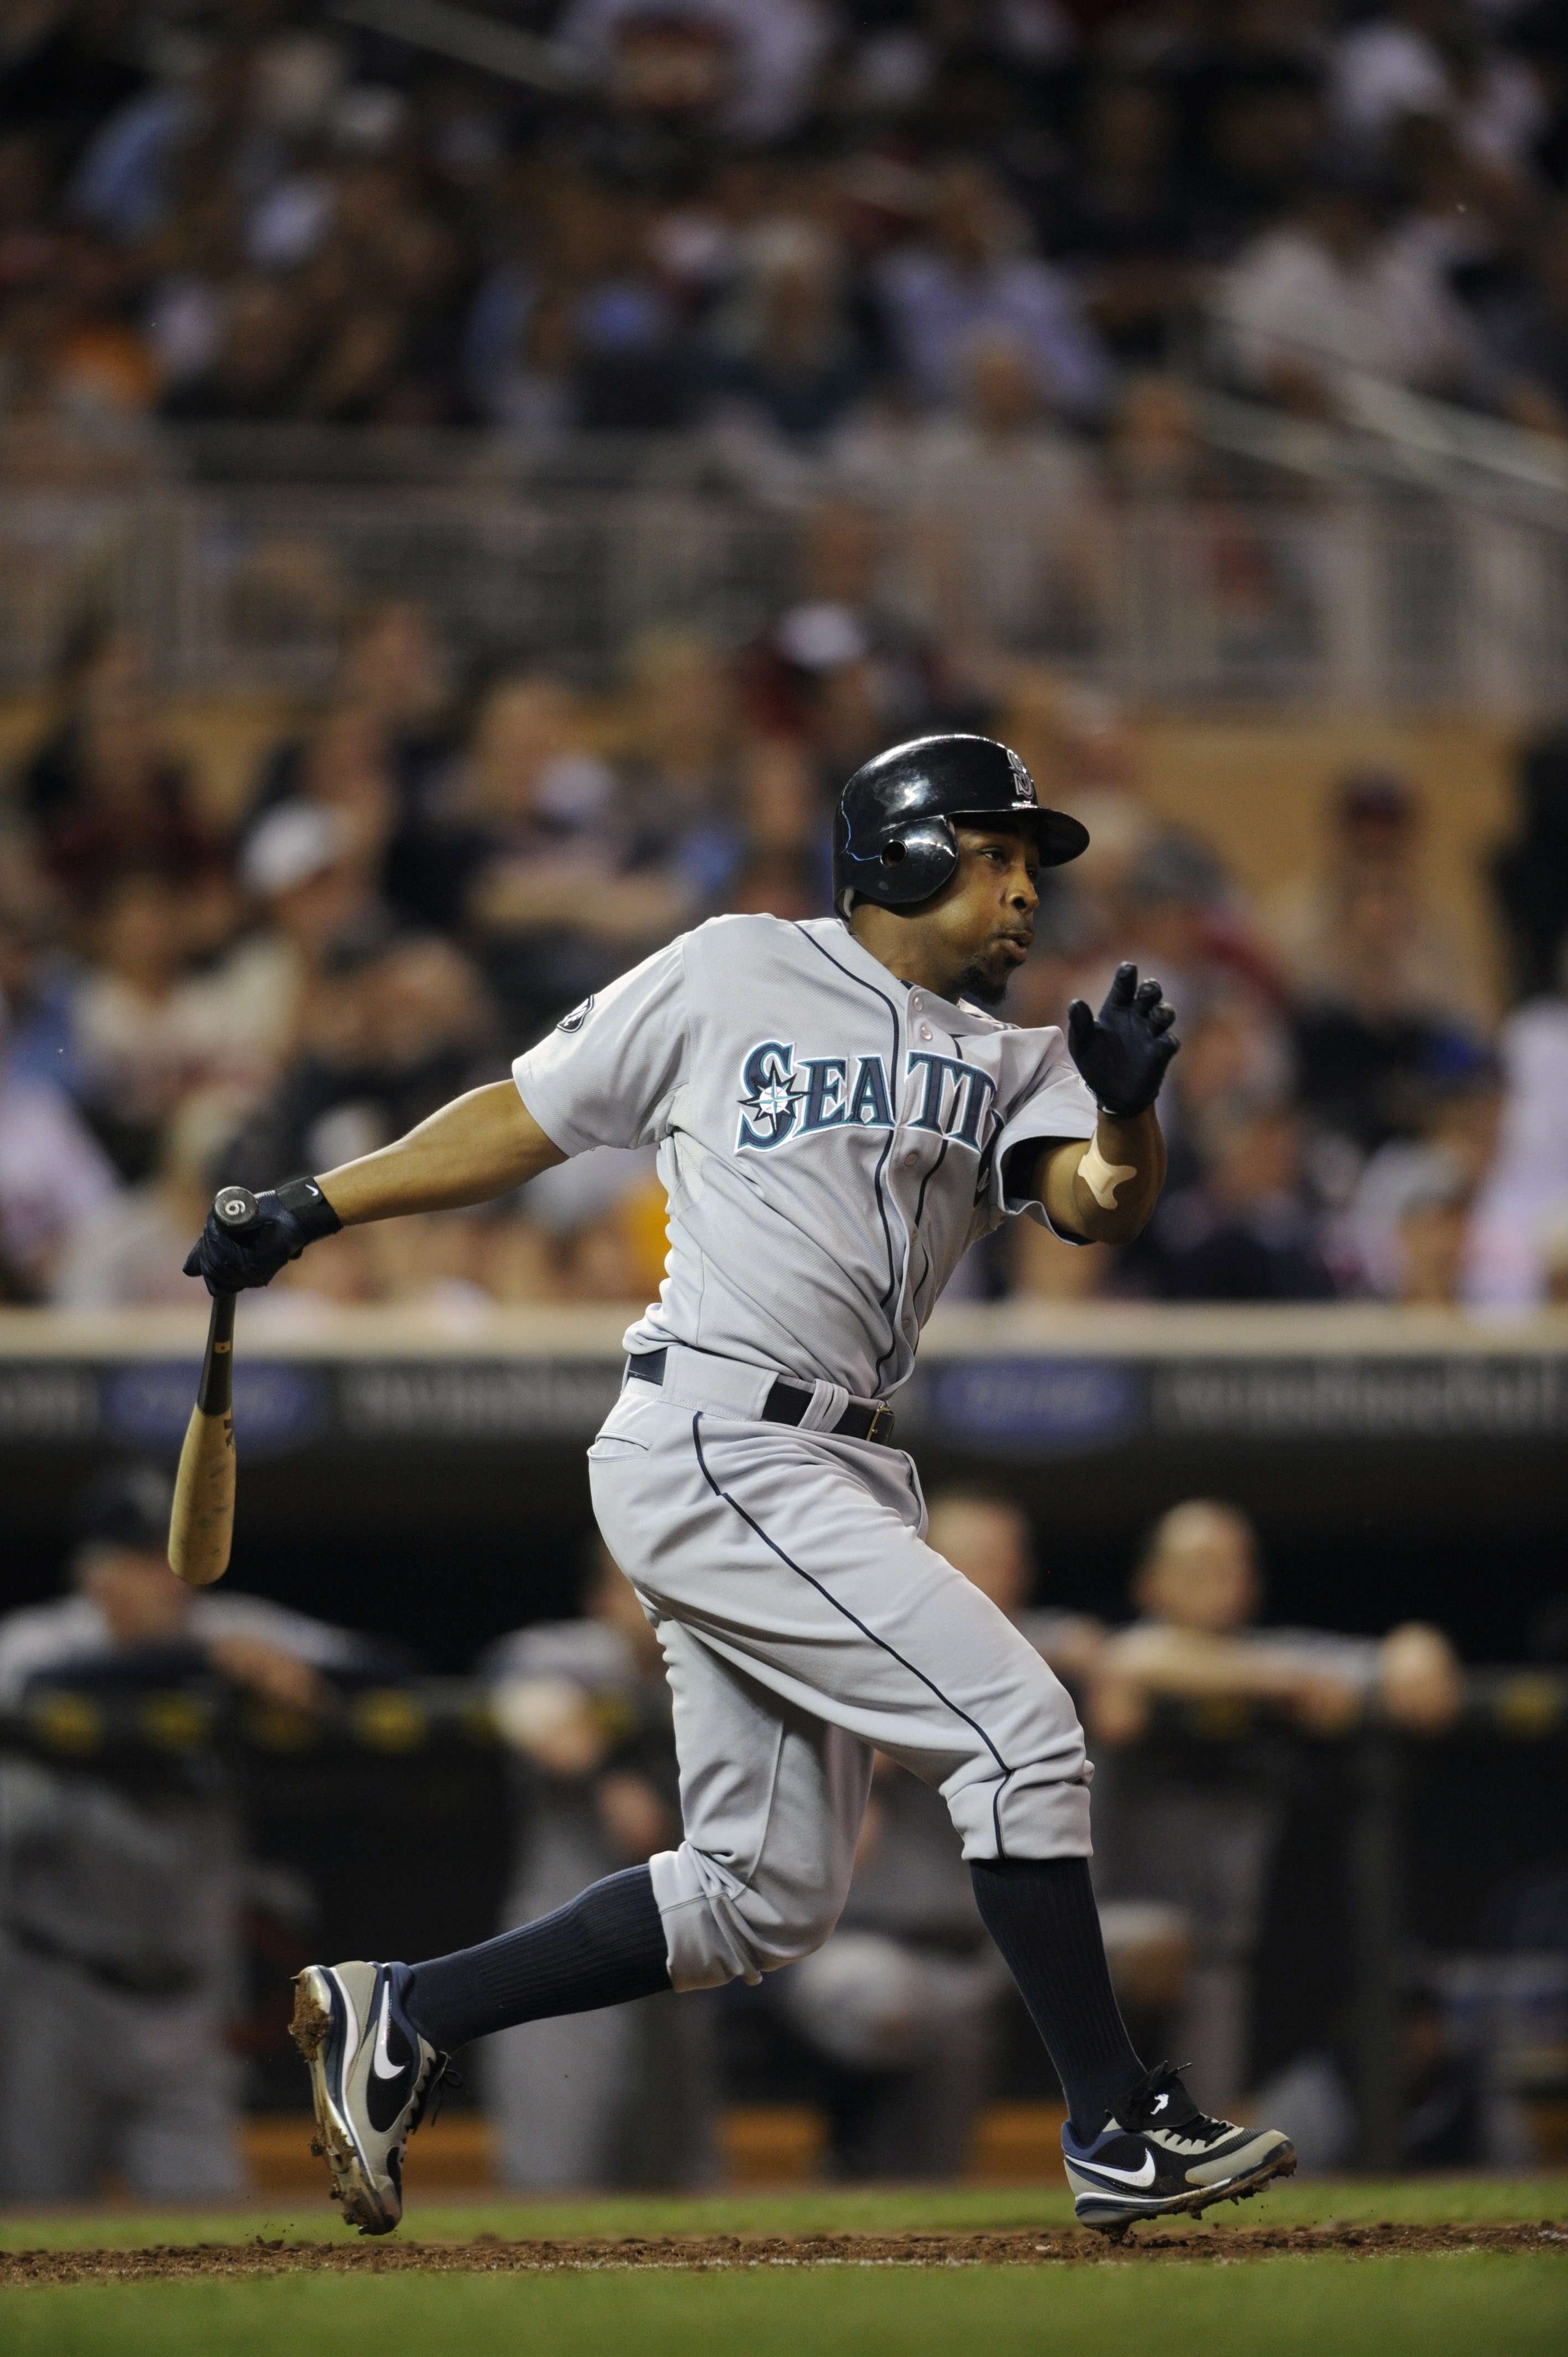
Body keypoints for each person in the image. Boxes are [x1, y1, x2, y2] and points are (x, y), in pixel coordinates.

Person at [185, 729, 1296, 2239]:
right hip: (719, 1433)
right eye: (995, 854)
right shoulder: (731, 972)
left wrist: (1127, 1115)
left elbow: (1099, 1204)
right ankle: (1113, 2122)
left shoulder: (1022, 1057)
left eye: (1032, 862)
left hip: (843, 1462)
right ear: (900, 853)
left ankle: (407, 2011)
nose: (1027, 890)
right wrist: (316, 1204)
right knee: (1023, 1736)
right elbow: (529, 1110)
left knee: (759, 1901)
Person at [0, 1463, 379, 2203]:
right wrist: (207, 1663)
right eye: (148, 1561)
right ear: (97, 1576)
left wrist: (297, 1676)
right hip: (50, 1986)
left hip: (186, 1998)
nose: (173, 1581)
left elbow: (386, 1668)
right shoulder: (35, 1643)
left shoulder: (227, 1630)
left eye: (180, 1559)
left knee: (210, 2221)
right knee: (31, 2214)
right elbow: (43, 1691)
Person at [1085, 1500, 1463, 2116]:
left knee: (1215, 1983)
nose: (1222, 1580)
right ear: (1150, 1584)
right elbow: (1133, 1661)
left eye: (1235, 1566)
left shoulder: (1268, 1652)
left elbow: (1398, 1661)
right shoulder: (1139, 1655)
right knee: (1175, 1945)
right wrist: (1285, 1683)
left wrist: (1419, 1645)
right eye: (1199, 1565)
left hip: (1221, 1958)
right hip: (1098, 1934)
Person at [479, 1545, 713, 2190]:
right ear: (602, 1599)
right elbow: (528, 1704)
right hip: (563, 1968)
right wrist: (611, 1775)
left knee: (683, 2188)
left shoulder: (716, 1663)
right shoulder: (573, 1652)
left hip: (679, 1969)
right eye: (638, 1584)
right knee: (554, 2179)